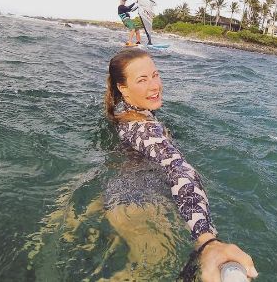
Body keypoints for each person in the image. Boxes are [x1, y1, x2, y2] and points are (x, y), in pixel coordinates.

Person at [105, 49, 258, 282]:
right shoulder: (145, 129)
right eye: (142, 80)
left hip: (120, 196)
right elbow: (179, 169)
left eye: (155, 75)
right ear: (123, 88)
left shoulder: (124, 115)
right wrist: (206, 240)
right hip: (140, 207)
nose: (154, 85)